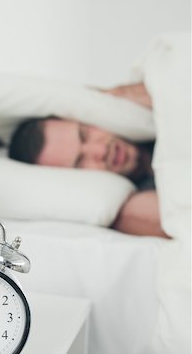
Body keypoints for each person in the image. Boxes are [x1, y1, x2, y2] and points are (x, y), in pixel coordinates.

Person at [9, 83, 168, 238]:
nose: (101, 151)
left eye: (84, 135)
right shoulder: (130, 209)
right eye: (80, 163)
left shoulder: (148, 102)